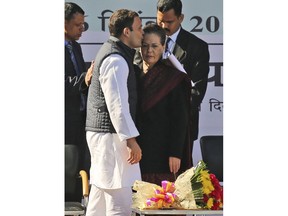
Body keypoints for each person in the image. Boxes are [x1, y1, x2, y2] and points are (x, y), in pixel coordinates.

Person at [85, 9, 143, 216]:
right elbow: (117, 105)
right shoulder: (116, 59)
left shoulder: (112, 53)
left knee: (99, 201)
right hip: (111, 137)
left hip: (106, 136)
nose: (142, 33)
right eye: (139, 28)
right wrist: (130, 140)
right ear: (127, 31)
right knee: (120, 201)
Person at [135, 23, 191, 186]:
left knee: (162, 203)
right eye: (144, 46)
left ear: (164, 46)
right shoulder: (133, 73)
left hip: (164, 152)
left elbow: (180, 119)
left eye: (154, 46)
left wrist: (175, 153)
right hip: (137, 151)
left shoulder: (173, 79)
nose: (149, 51)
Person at [156, 0, 210, 166]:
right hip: (151, 126)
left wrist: (174, 115)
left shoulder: (197, 47)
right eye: (160, 21)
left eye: (169, 21)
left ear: (181, 18)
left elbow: (197, 91)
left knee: (180, 180)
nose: (164, 25)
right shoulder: (147, 42)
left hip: (183, 127)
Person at [65, 2, 94, 182]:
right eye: (77, 25)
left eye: (83, 24)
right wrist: (85, 78)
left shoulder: (75, 46)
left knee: (81, 170)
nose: (82, 29)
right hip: (65, 123)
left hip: (80, 120)